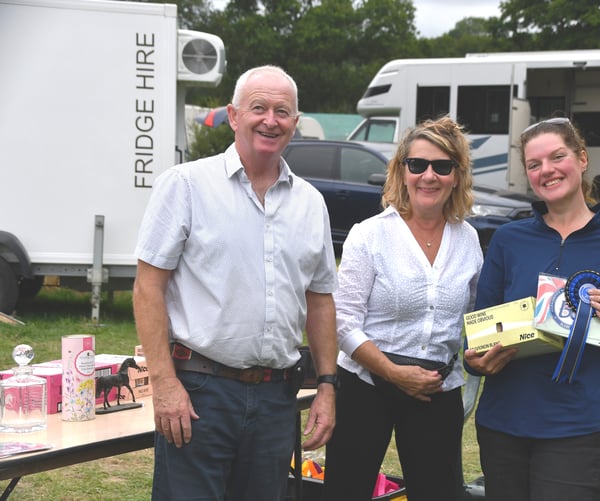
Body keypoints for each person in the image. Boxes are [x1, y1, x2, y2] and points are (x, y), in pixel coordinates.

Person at [132, 65, 339, 501]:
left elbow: (320, 301)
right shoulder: (186, 185)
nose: (270, 120)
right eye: (258, 107)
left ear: (295, 123)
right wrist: (164, 384)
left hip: (276, 397)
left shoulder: (310, 203)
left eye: (282, 111)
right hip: (199, 392)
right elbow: (148, 287)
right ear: (233, 115)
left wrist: (326, 386)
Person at [465, 116, 600, 500]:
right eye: (534, 165)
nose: (547, 171)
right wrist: (476, 361)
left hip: (579, 426)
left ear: (582, 159)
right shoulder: (508, 239)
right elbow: (481, 328)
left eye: (558, 157)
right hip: (504, 423)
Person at [321, 116, 484, 501]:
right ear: (401, 170)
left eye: (442, 166)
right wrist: (395, 373)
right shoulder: (370, 234)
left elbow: (475, 317)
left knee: (438, 493)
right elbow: (342, 322)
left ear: (457, 176)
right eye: (418, 165)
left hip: (436, 389)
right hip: (366, 385)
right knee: (346, 491)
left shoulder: (469, 240)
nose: (429, 176)